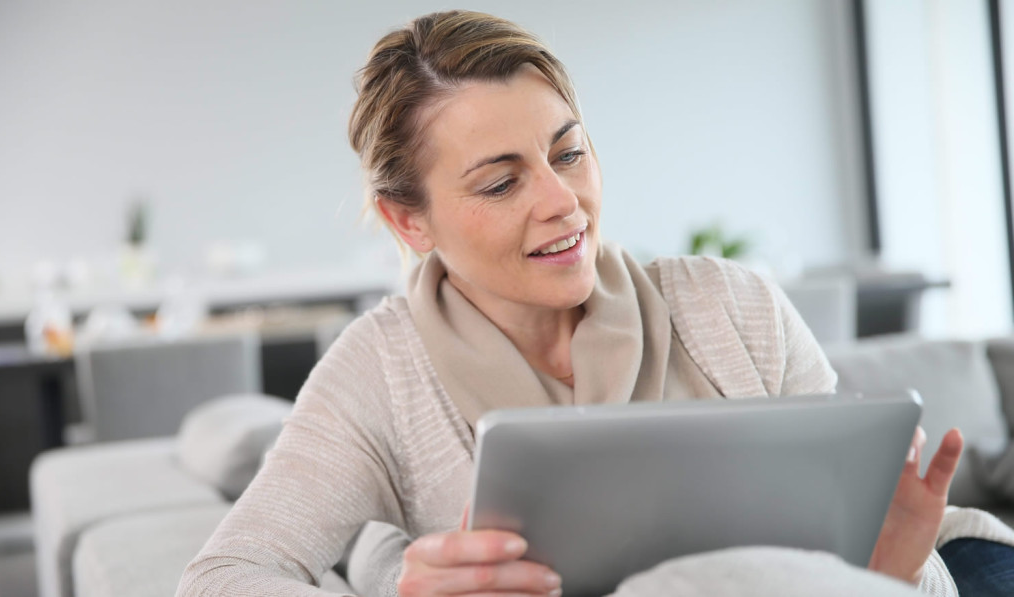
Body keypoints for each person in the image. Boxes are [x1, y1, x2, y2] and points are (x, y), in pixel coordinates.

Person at [177, 10, 1014, 597]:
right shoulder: (379, 373)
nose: (562, 202)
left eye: (569, 153)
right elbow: (220, 578)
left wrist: (899, 566)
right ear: (408, 219)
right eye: (502, 181)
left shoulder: (735, 306)